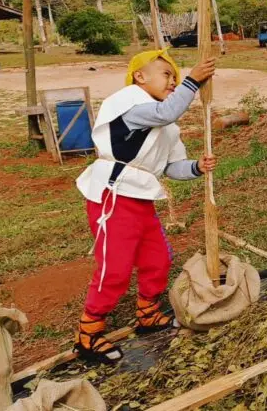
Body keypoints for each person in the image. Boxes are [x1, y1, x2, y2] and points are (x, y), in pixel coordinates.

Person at [73, 49, 217, 364]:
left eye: (177, 77)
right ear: (140, 76)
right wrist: (193, 80)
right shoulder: (129, 103)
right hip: (114, 195)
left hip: (141, 198)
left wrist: (196, 167)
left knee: (158, 258)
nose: (173, 81)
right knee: (116, 267)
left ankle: (147, 312)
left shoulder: (164, 123)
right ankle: (89, 331)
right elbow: (167, 111)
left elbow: (172, 166)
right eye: (167, 74)